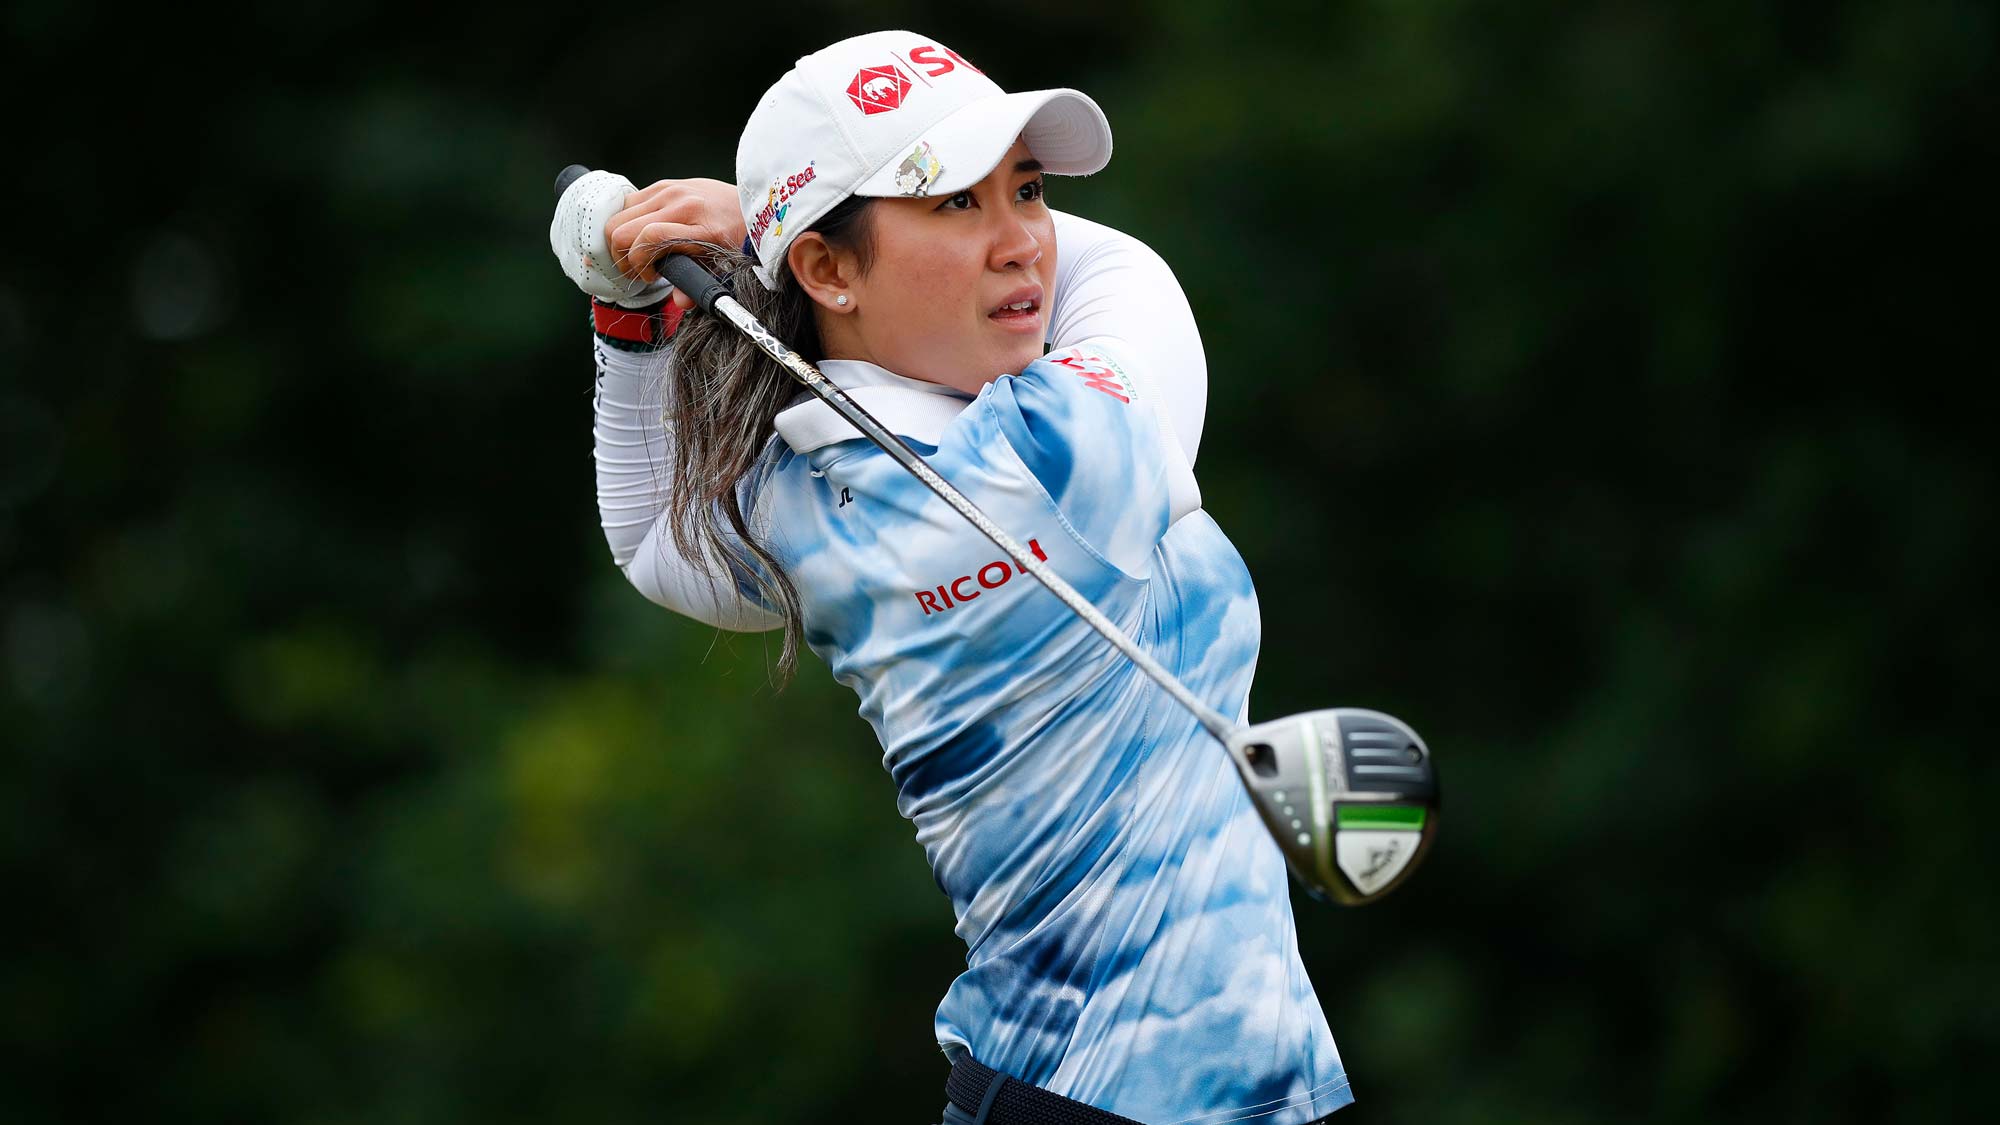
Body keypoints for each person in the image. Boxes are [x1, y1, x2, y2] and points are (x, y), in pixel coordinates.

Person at [556, 29, 1352, 1125]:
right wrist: (760, 222)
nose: (1023, 240)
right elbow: (1127, 269)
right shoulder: (1063, 444)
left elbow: (650, 539)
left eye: (1024, 189)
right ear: (827, 270)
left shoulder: (807, 503)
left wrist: (628, 320)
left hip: (1059, 1093)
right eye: (953, 205)